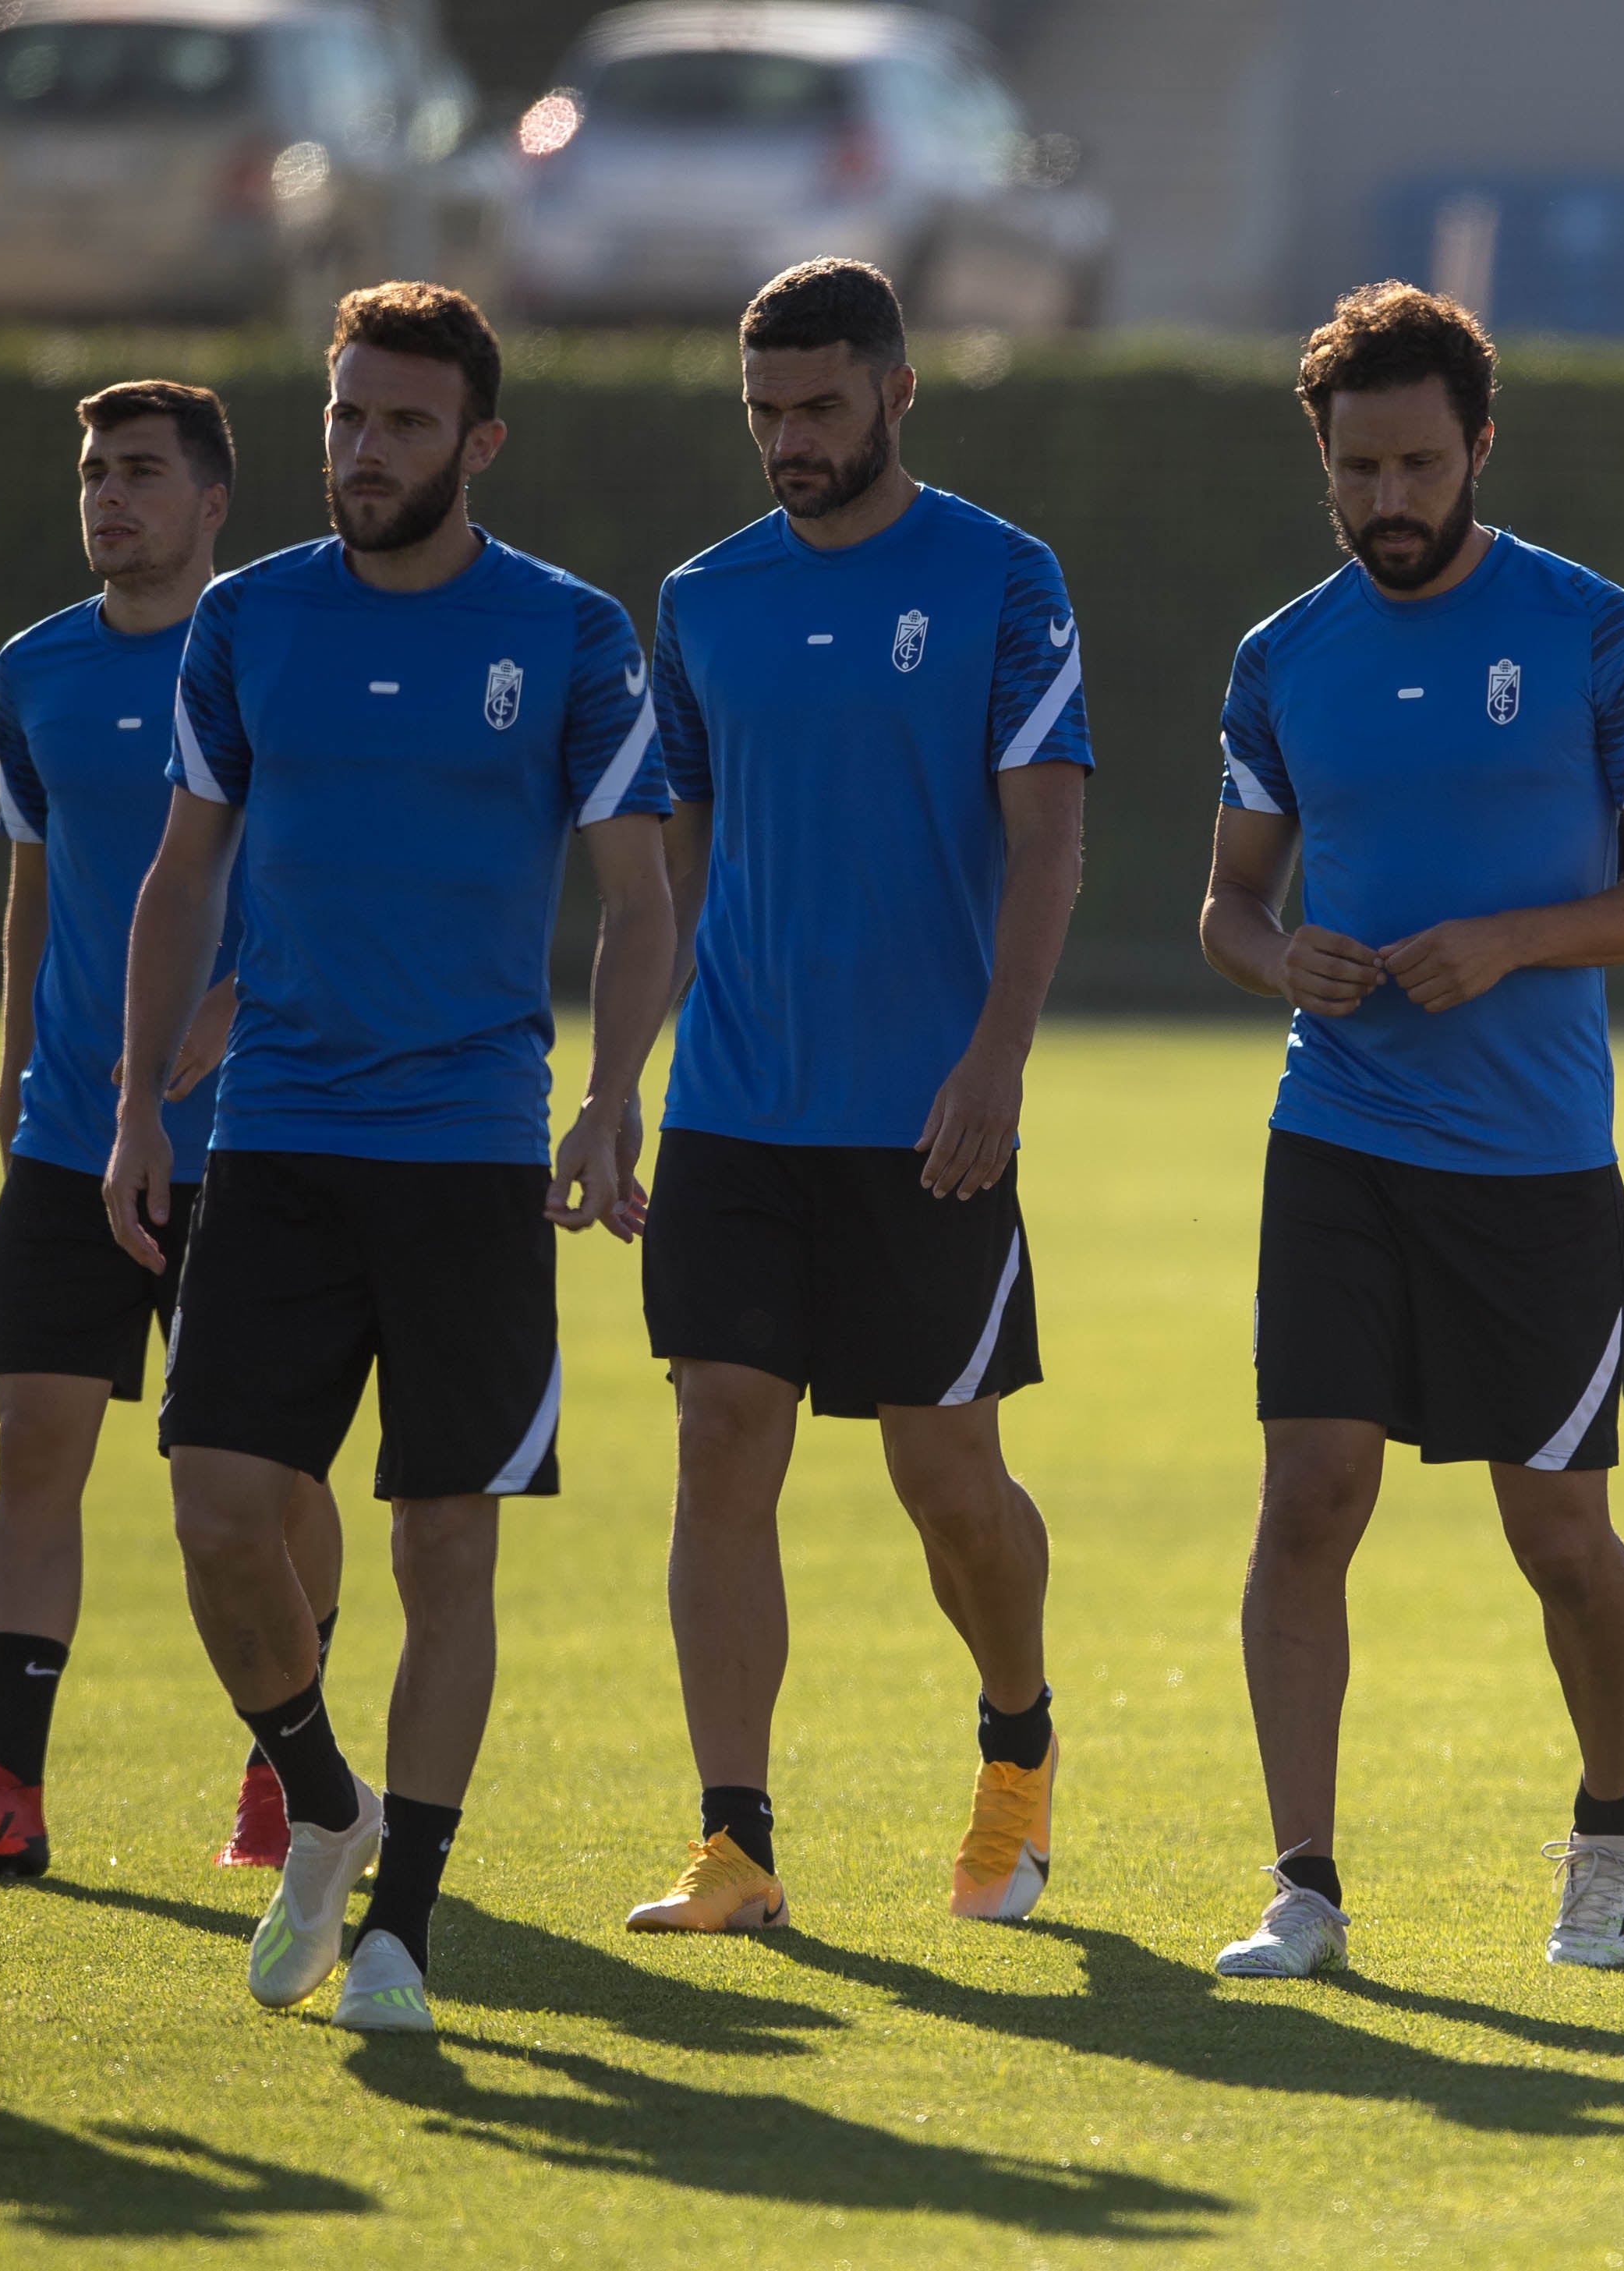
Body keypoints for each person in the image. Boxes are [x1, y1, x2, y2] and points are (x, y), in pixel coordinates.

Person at [105, 284, 676, 2036]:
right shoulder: (248, 621)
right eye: (348, 417)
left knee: (445, 1550)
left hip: (469, 1157)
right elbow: (185, 871)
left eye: (407, 424)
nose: (365, 449)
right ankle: (319, 1794)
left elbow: (640, 893)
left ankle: (401, 1924)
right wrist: (140, 1100)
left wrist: (610, 1090)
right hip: (275, 1133)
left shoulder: (570, 634)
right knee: (216, 1512)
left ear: (476, 444)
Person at [1200, 283, 1624, 1979]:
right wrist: (1278, 953)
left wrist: (1514, 937)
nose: (1389, 500)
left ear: (1479, 449)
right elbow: (1226, 902)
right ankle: (1302, 1882)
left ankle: (1607, 1836)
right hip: (1340, 1136)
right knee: (1309, 1498)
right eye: (1359, 468)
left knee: (1560, 1535)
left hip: (1533, 1169)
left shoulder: (1593, 632)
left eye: (1420, 463)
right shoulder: (1283, 657)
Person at [621, 259, 1088, 1940]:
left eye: (818, 407)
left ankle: (1019, 1746)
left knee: (943, 1474)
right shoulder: (702, 599)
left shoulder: (1000, 576)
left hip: (926, 1115)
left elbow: (1047, 838)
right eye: (763, 411)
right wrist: (619, 1077)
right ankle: (733, 1840)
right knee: (718, 1433)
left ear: (897, 392)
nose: (789, 440)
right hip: (738, 1107)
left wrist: (995, 1055)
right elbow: (670, 860)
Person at [0, 383, 349, 1884]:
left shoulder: (278, 657)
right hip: (74, 1134)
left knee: (270, 1481)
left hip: (254, 1138)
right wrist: (22, 1066)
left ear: (215, 502)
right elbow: (38, 881)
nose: (108, 498)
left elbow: (326, 871)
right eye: (94, 473)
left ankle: (292, 1780)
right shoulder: (37, 670)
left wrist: (222, 1015)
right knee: (36, 1446)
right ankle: (7, 1788)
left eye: (141, 473)